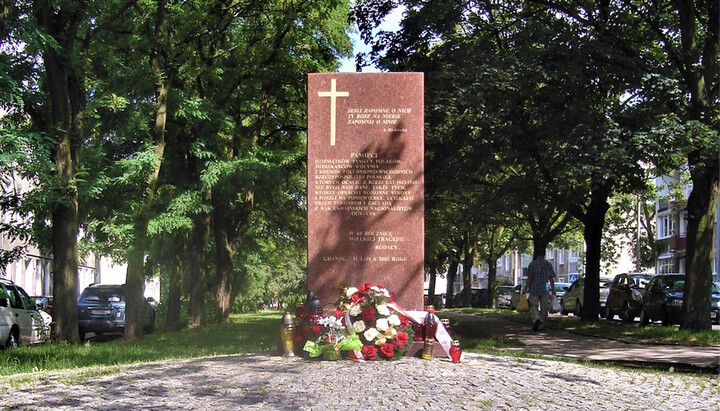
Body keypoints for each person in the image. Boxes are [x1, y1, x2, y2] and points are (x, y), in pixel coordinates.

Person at [522, 254, 556, 331]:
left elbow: (529, 278)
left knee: (533, 305)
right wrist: (553, 289)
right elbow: (551, 278)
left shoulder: (532, 264)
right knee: (544, 307)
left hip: (534, 289)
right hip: (545, 289)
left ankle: (536, 318)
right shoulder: (548, 264)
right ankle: (541, 325)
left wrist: (525, 289)